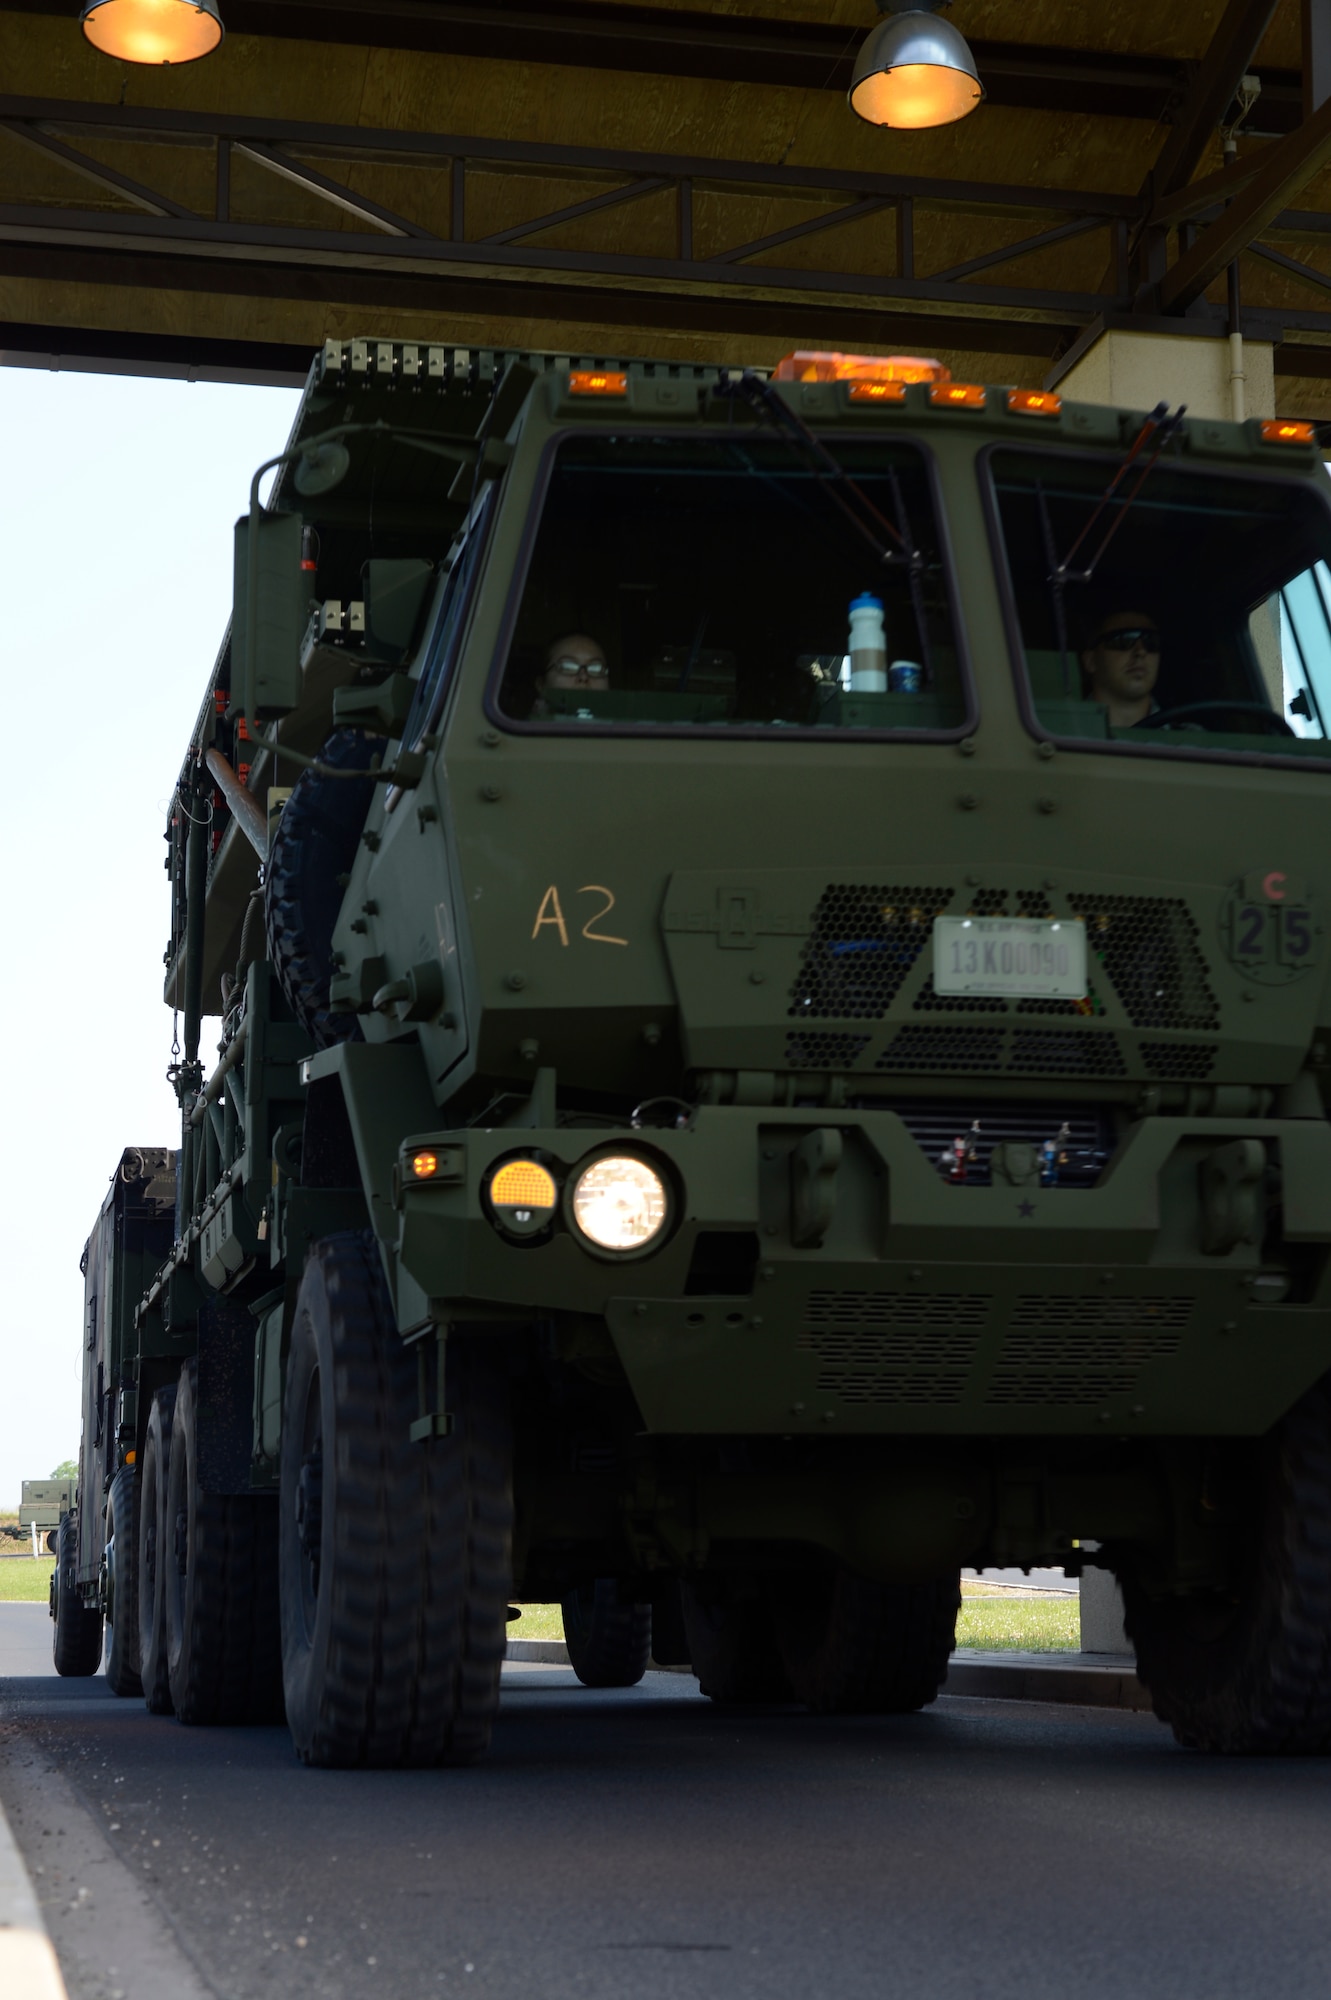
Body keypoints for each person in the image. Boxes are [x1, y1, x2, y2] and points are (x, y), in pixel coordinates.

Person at [1080, 610, 1160, 728]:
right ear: (1091, 661)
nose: (1141, 651)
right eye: (1123, 640)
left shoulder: (1189, 739)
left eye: (1150, 641)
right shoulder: (1057, 734)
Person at [532, 632, 610, 714]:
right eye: (567, 667)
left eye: (596, 669)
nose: (583, 677)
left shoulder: (623, 725)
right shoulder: (522, 726)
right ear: (541, 684)